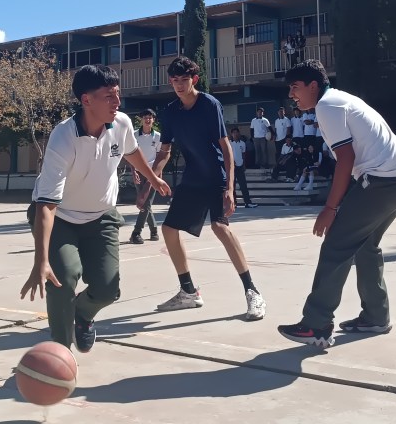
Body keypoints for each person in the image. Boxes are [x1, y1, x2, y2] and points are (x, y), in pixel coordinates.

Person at [21, 65, 170, 352]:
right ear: (86, 100)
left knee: (107, 289)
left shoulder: (122, 123)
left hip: (101, 217)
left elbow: (131, 151)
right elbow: (46, 205)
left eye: (118, 94)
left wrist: (152, 178)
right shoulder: (63, 138)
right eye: (108, 96)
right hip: (61, 218)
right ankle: (60, 352)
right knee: (62, 278)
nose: (117, 102)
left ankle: (83, 314)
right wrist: (41, 260)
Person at [278, 60, 396, 347]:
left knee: (337, 245)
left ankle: (316, 325)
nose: (292, 94)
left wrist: (330, 209)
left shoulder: (327, 106)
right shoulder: (339, 99)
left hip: (384, 182)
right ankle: (376, 317)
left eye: (295, 87)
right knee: (366, 245)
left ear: (313, 85)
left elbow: (346, 159)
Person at [152, 56, 266, 320]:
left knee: (219, 226)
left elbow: (225, 147)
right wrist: (151, 175)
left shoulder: (208, 104)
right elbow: (165, 151)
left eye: (184, 80)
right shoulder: (169, 112)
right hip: (193, 176)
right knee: (169, 229)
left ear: (194, 79)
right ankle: (189, 291)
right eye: (174, 80)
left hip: (215, 173)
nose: (179, 85)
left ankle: (253, 292)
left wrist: (229, 188)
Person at [130, 108, 162, 245]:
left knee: (145, 203)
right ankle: (154, 230)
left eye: (150, 117)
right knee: (145, 203)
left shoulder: (158, 137)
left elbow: (161, 157)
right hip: (139, 173)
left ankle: (136, 232)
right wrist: (133, 171)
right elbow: (130, 154)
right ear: (141, 120)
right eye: (145, 117)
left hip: (153, 174)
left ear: (153, 120)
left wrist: (157, 175)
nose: (147, 120)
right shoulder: (134, 135)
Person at [229, 127, 257, 208]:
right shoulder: (230, 143)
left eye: (237, 132)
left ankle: (248, 202)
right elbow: (227, 155)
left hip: (240, 166)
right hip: (232, 167)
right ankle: (233, 203)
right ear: (232, 134)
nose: (235, 134)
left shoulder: (242, 143)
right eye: (234, 132)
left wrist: (244, 165)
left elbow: (243, 154)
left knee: (243, 185)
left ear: (239, 133)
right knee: (232, 186)